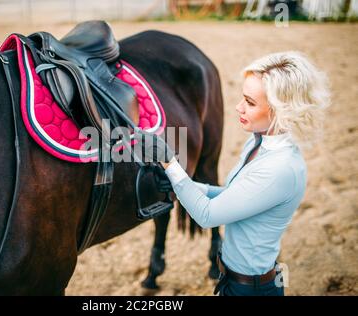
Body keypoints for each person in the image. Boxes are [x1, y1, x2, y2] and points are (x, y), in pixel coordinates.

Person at [135, 51, 330, 296]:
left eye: (250, 102)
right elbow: (236, 195)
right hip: (235, 279)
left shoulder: (279, 169)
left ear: (281, 110)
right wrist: (191, 187)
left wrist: (169, 163)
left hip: (250, 288)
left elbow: (207, 216)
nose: (238, 107)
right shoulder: (258, 142)